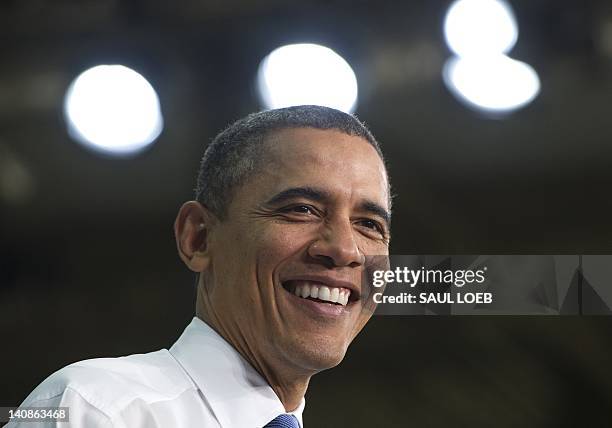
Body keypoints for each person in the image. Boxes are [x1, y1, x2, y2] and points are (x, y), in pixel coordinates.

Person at [7, 105, 392, 428]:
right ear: (199, 238)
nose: (344, 249)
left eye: (369, 225)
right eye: (301, 210)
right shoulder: (96, 410)